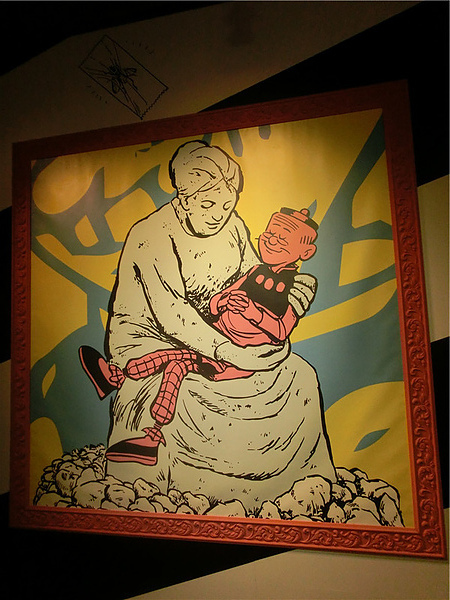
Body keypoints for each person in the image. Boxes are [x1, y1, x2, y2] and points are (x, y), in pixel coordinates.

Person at [81, 140, 335, 511]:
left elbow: (251, 276)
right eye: (208, 205)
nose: (219, 215)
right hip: (156, 337)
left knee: (299, 374)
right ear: (183, 198)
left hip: (223, 330)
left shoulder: (233, 225)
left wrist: (265, 323)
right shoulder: (151, 236)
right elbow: (173, 314)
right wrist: (228, 348)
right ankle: (156, 459)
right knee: (182, 383)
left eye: (227, 205)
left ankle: (293, 479)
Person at [80, 206, 320, 466]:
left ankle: (150, 436)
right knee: (169, 356)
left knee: (175, 364)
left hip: (239, 358)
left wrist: (252, 312)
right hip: (218, 339)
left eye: (282, 238)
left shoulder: (300, 284)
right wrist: (225, 301)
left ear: (306, 252)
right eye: (269, 234)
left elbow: (281, 330)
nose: (271, 241)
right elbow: (215, 303)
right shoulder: (254, 272)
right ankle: (118, 378)